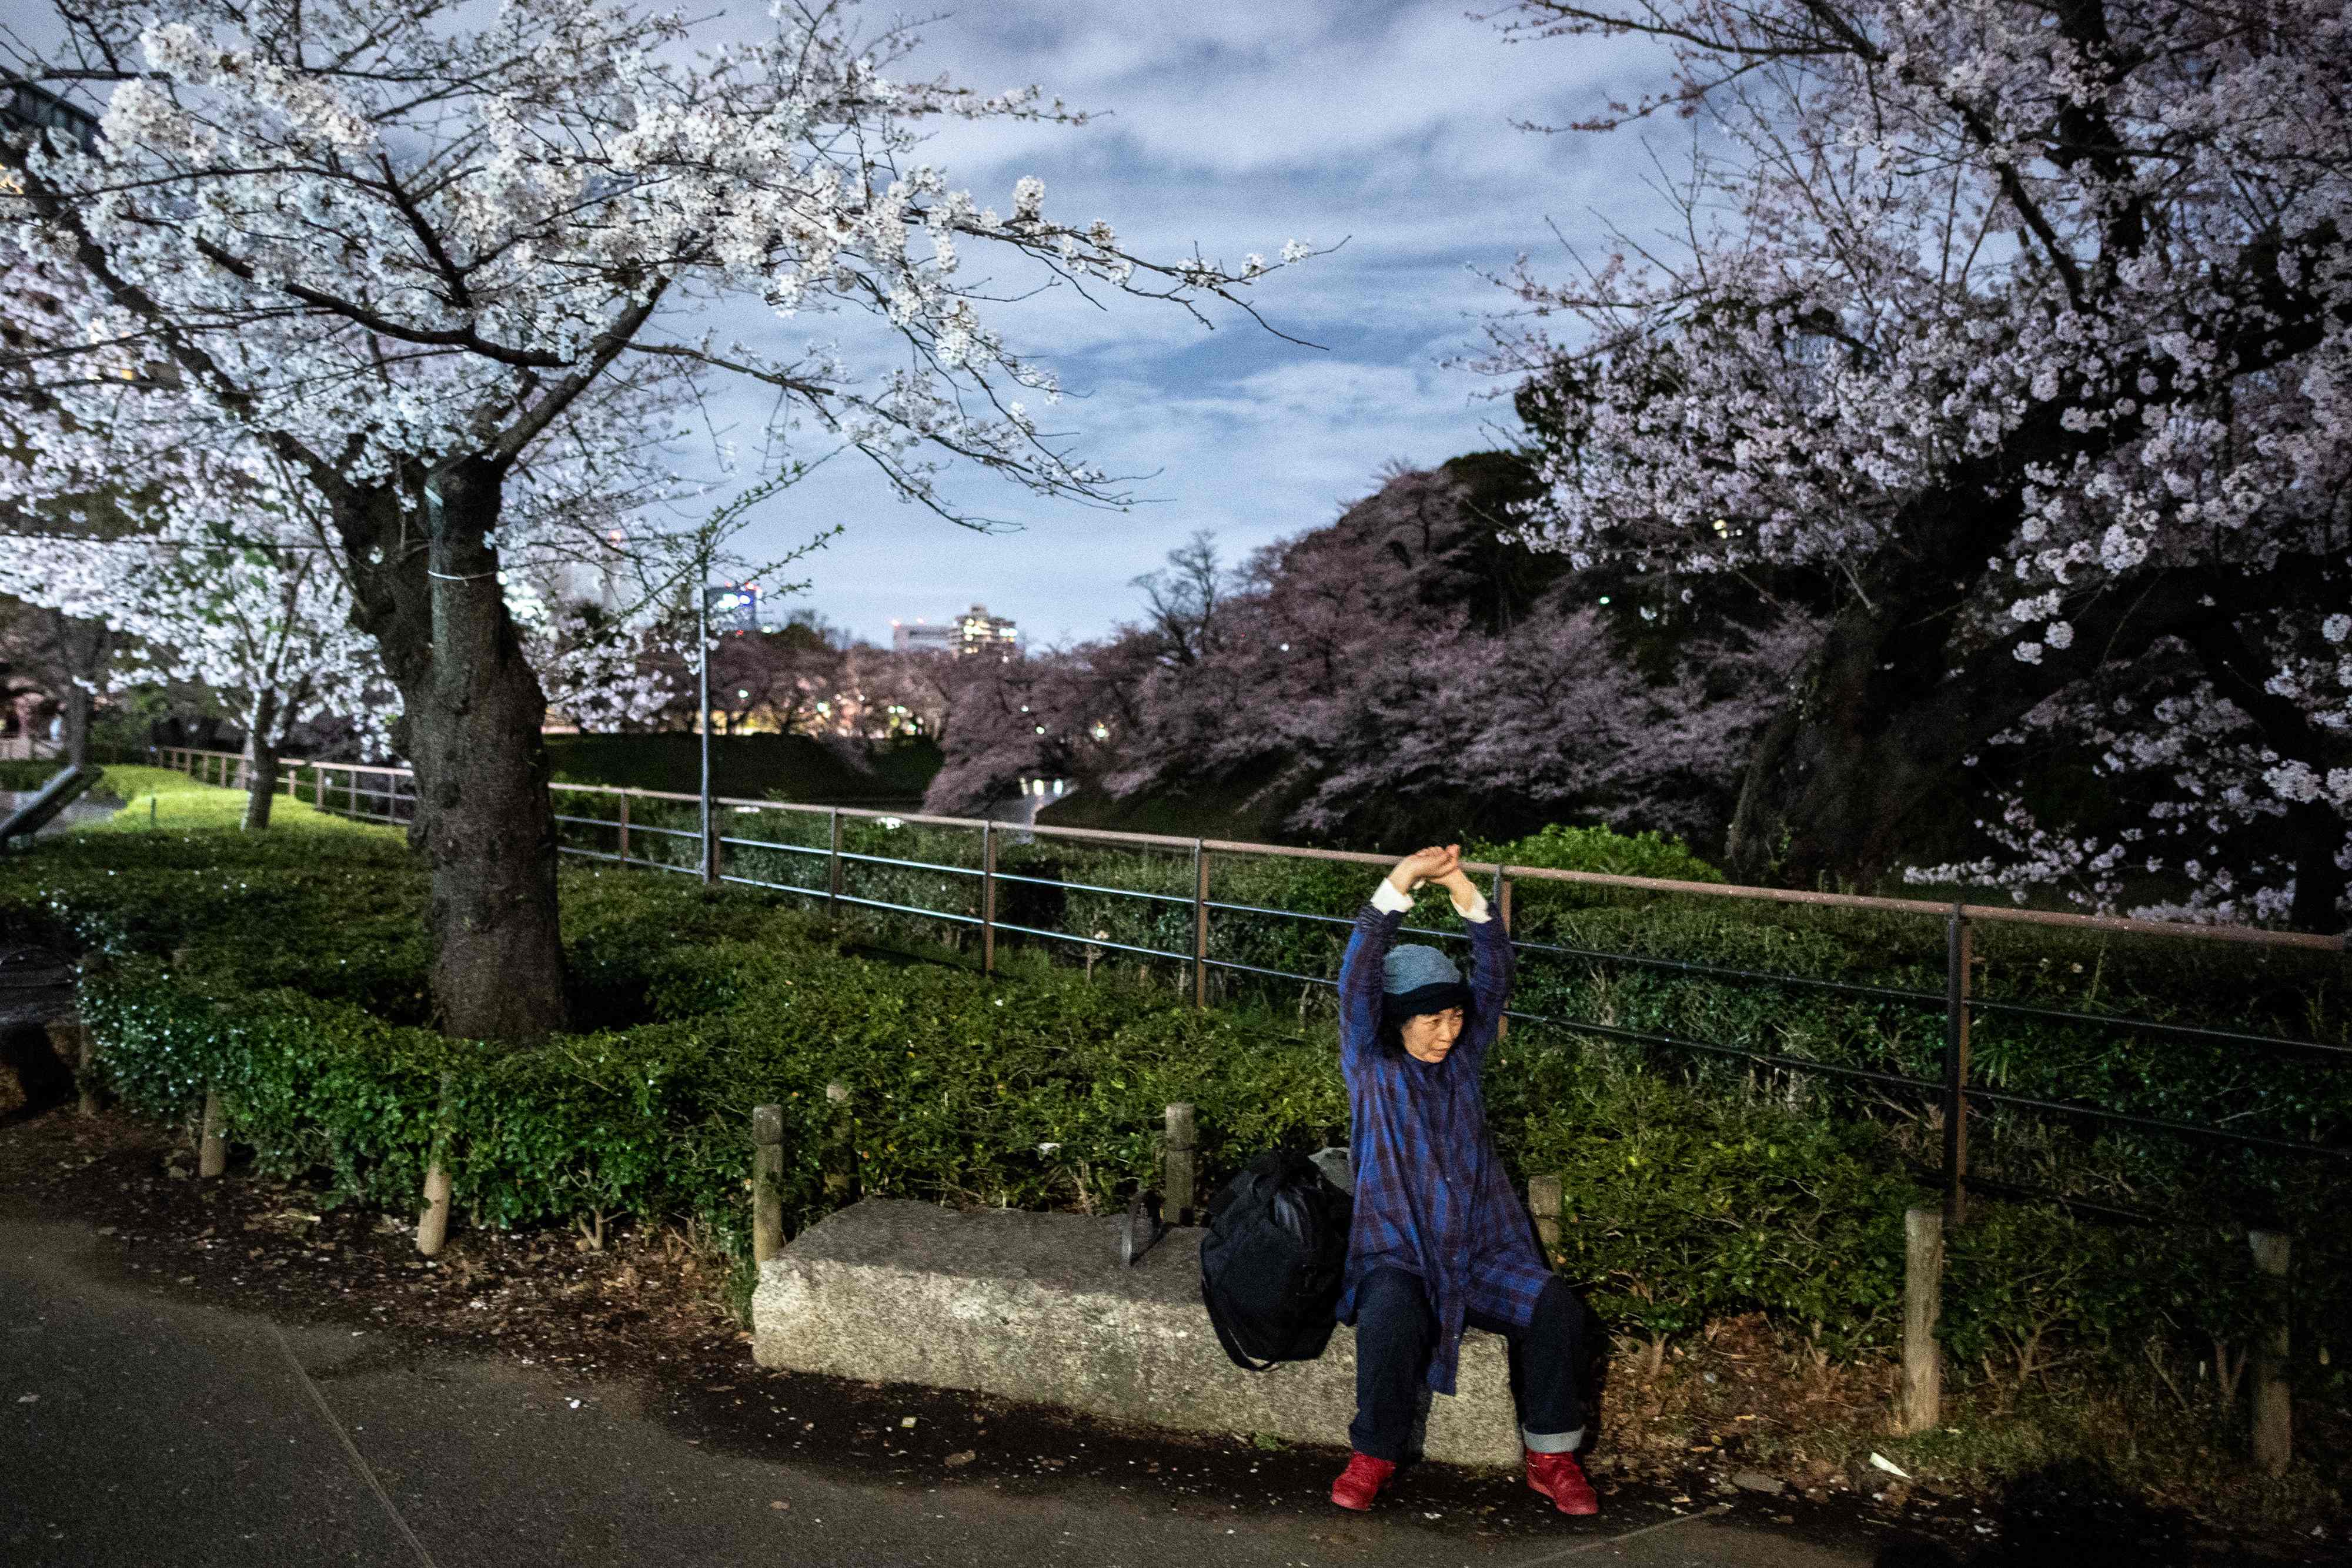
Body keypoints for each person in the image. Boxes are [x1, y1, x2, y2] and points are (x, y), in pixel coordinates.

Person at [1328, 843, 1598, 1516]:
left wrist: (1467, 898)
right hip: (1399, 1251)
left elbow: (1495, 978)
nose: (1447, 1032)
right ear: (1396, 1020)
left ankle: (1550, 1456)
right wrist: (1400, 883)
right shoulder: (1370, 1065)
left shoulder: (1462, 1061)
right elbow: (1357, 979)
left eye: (1454, 1018)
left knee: (1556, 1311)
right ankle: (1374, 1454)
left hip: (1480, 1251)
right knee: (1388, 1316)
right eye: (1430, 1019)